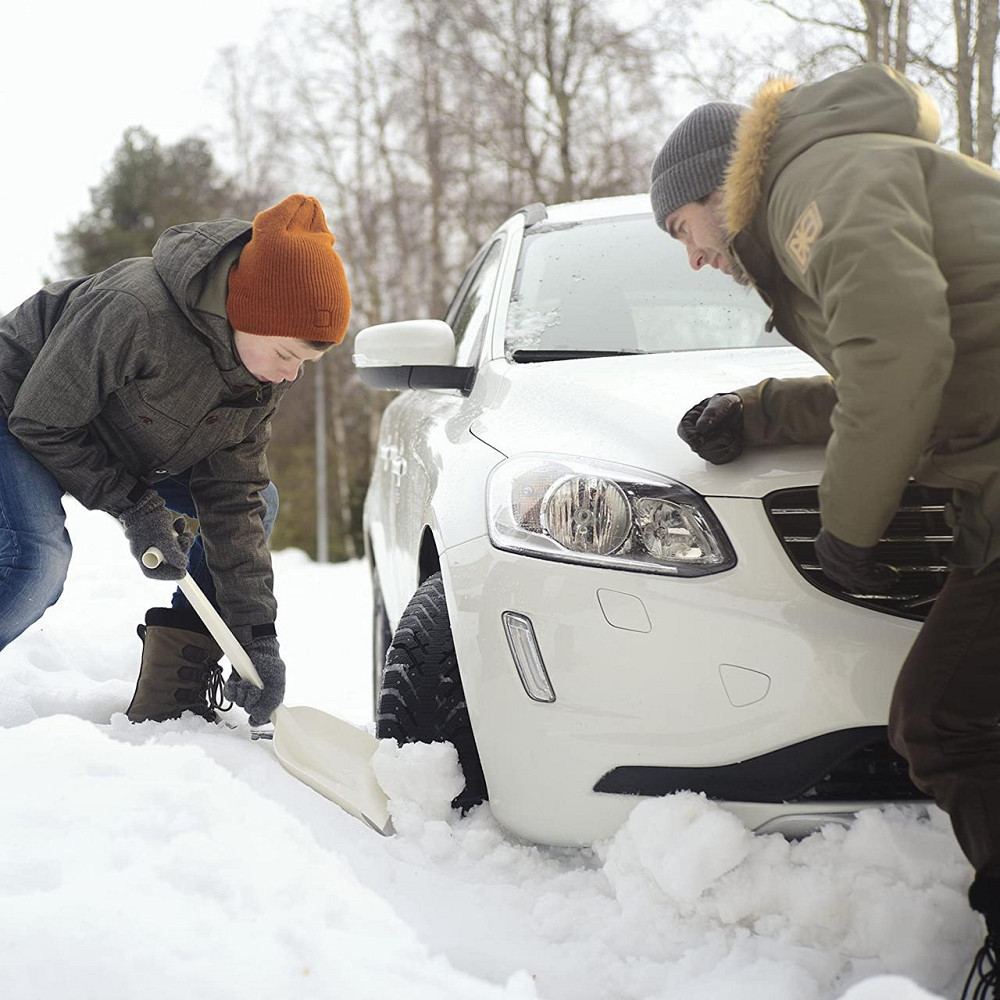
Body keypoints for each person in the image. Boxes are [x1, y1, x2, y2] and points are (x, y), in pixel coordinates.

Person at [650, 63, 1000, 994]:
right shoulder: (836, 172)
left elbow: (899, 355)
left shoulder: (817, 181)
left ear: (713, 191)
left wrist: (846, 528)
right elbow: (888, 363)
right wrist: (755, 413)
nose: (690, 255)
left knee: (945, 720)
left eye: (680, 230)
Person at [0, 193, 350, 728]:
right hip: (18, 412)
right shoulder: (134, 309)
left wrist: (256, 638)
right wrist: (135, 506)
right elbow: (42, 420)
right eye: (286, 354)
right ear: (245, 312)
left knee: (262, 501)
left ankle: (171, 693)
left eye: (304, 363)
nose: (290, 376)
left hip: (111, 437)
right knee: (37, 560)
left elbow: (234, 500)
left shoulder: (258, 377)